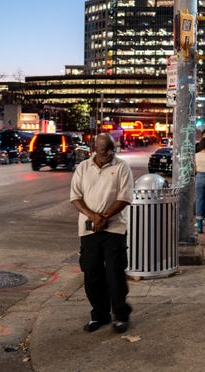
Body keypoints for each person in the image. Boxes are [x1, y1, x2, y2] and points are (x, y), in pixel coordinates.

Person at [70, 133, 134, 333]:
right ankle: (100, 314)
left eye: (112, 148)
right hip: (89, 230)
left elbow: (124, 197)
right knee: (92, 273)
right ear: (95, 149)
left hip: (114, 228)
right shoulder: (83, 167)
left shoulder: (121, 167)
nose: (110, 153)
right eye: (105, 149)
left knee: (115, 273)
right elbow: (75, 197)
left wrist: (104, 217)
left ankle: (121, 315)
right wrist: (93, 217)